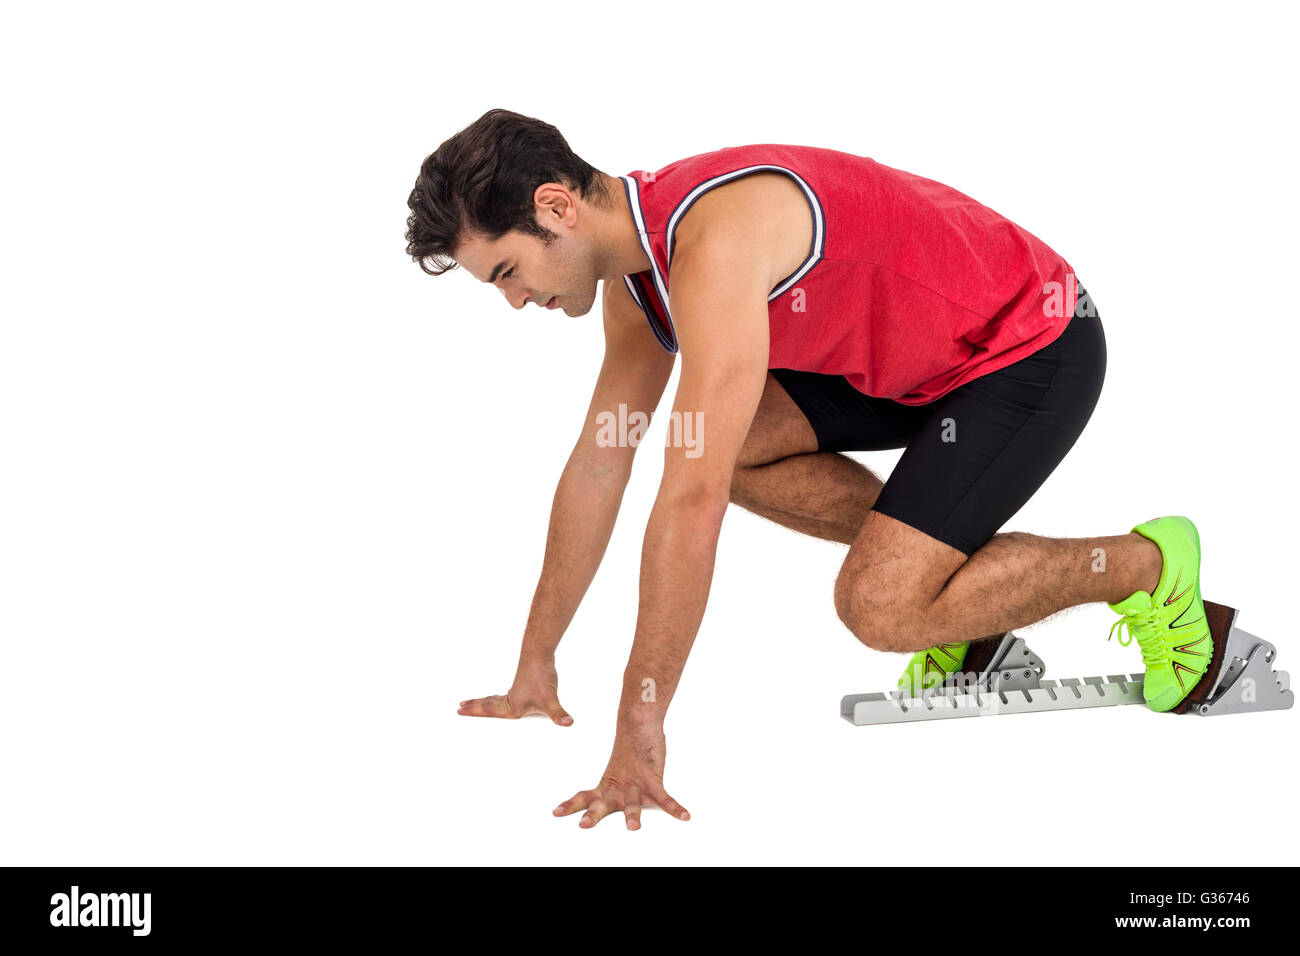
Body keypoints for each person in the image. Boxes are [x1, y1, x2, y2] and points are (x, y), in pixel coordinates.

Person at [405, 109, 1212, 830]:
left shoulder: (713, 246)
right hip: (911, 368)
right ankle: (958, 588)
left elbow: (692, 500)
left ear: (555, 207)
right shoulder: (636, 283)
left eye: (507, 272)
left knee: (880, 607)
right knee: (744, 441)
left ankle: (1147, 566)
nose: (513, 301)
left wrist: (639, 730)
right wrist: (536, 661)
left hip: (1030, 343)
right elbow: (600, 462)